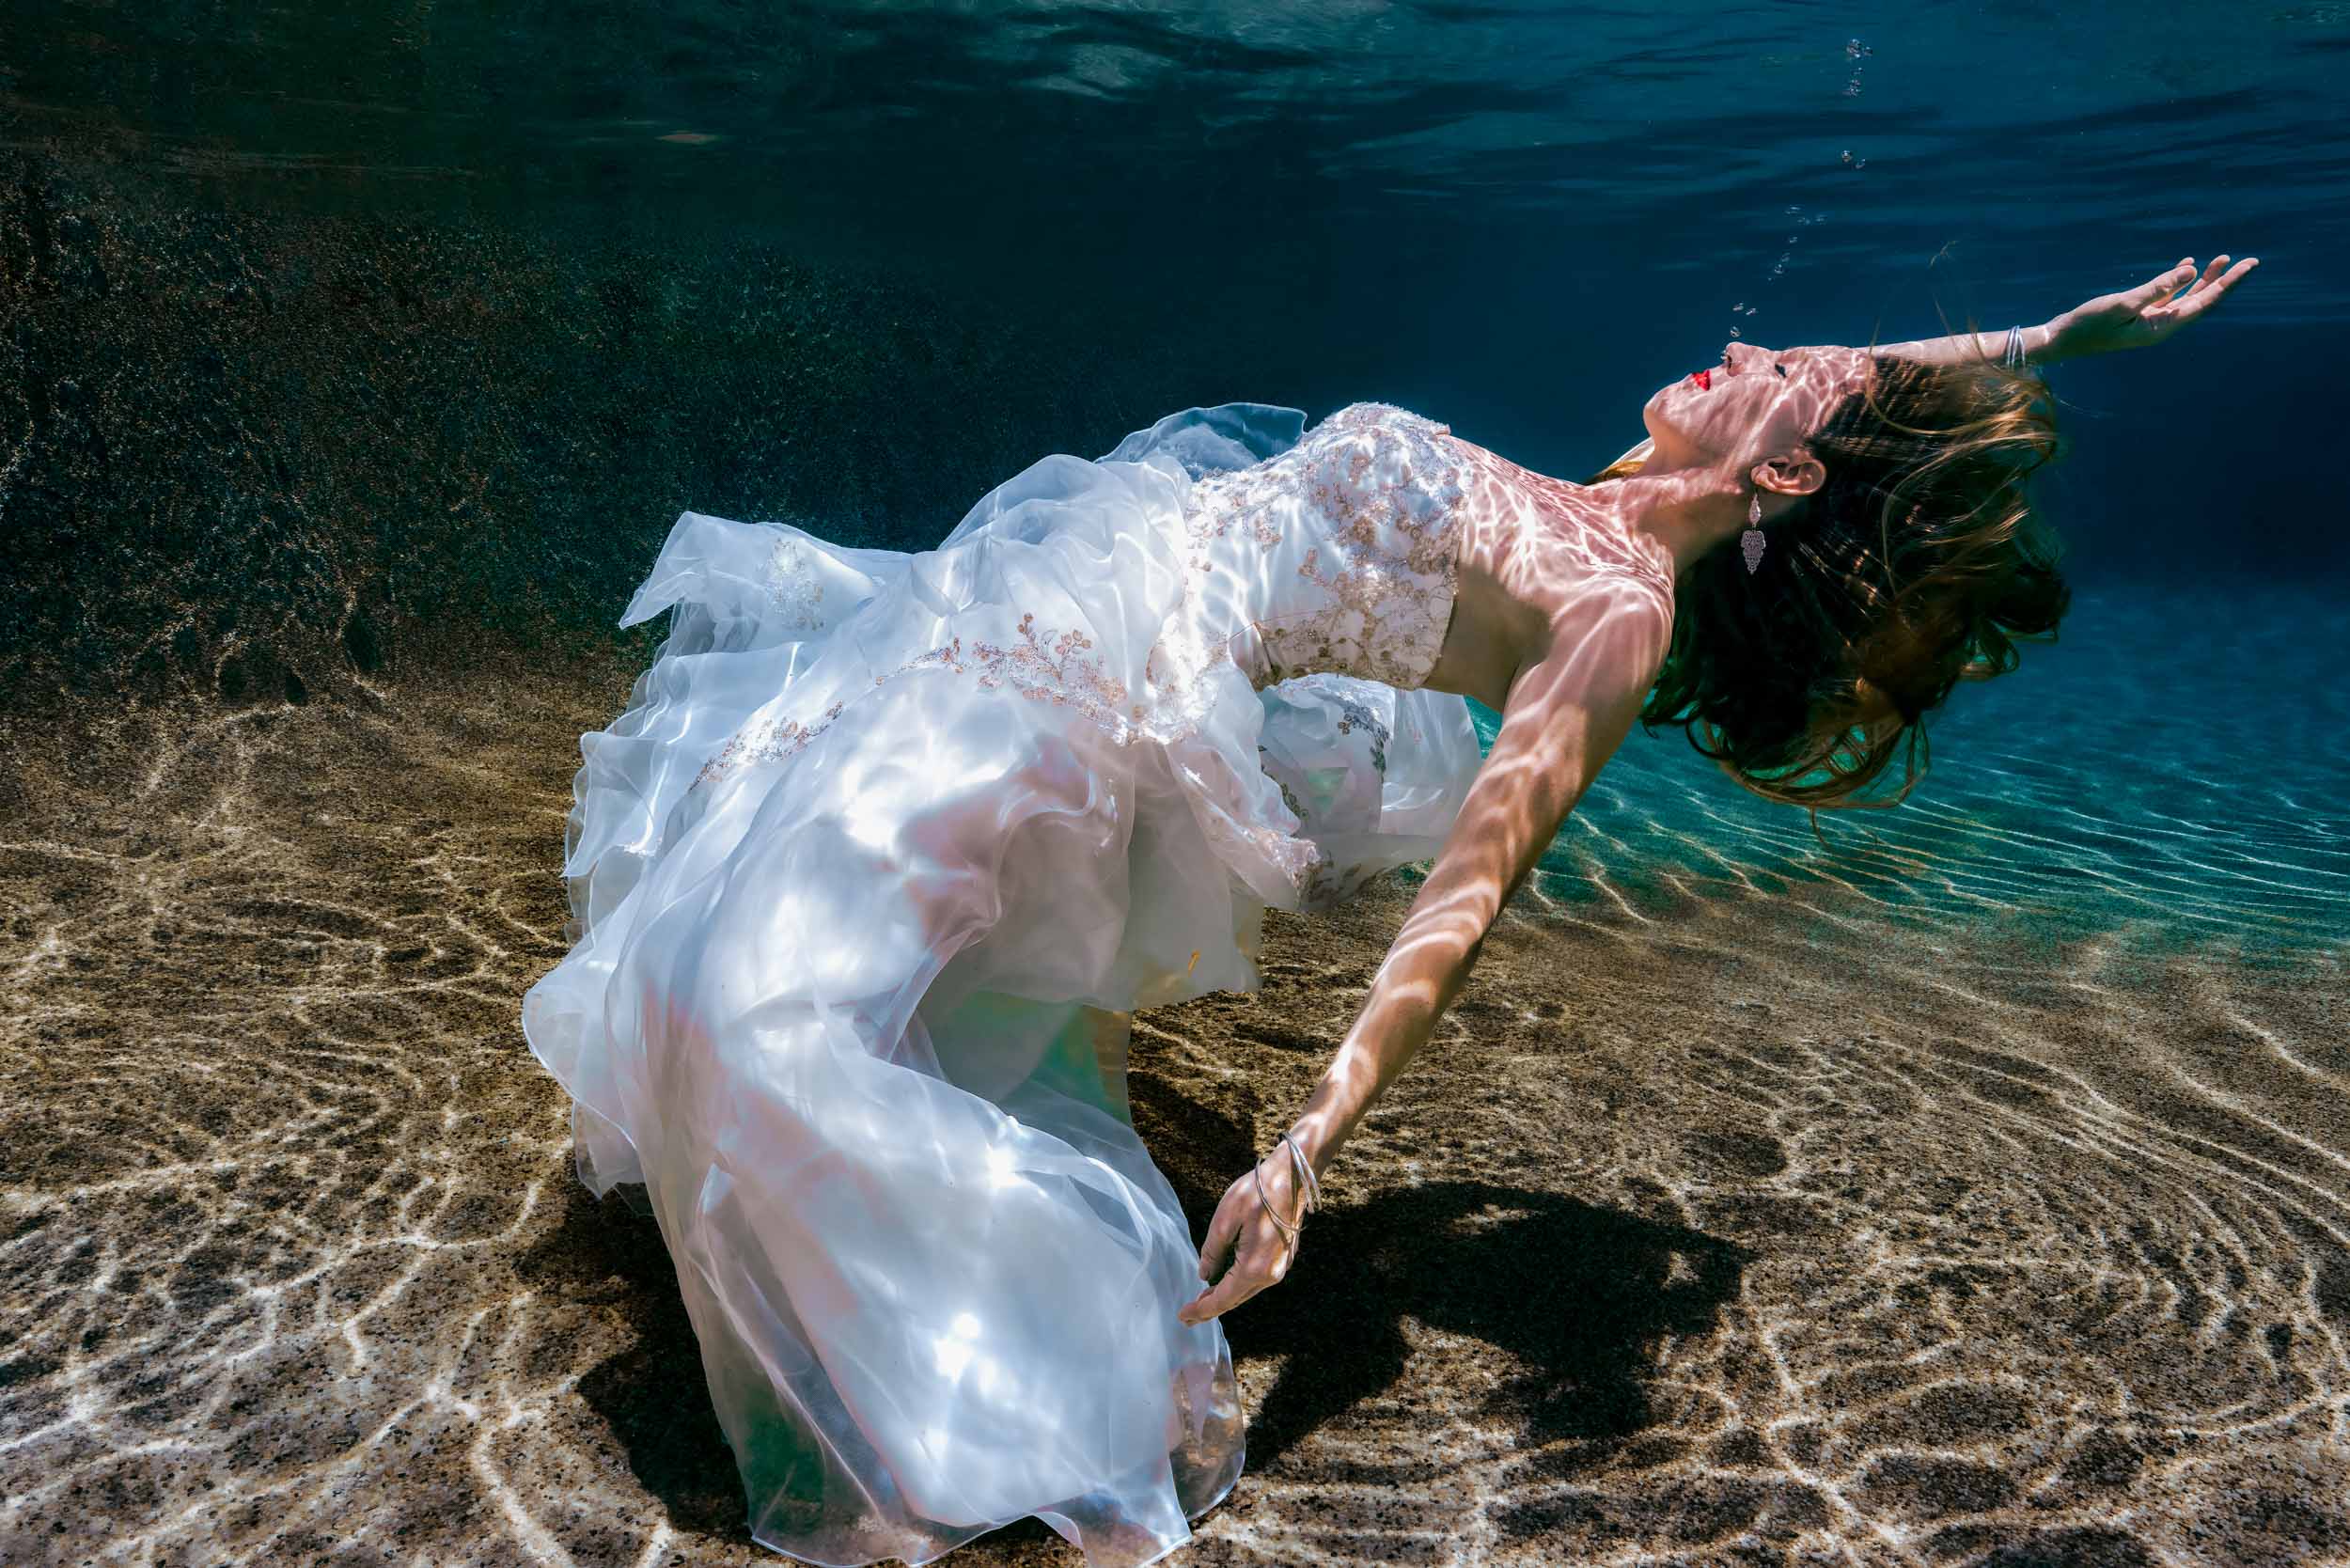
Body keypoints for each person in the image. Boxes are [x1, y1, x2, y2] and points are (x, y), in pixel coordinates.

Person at [520, 254, 2256, 1567]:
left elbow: (1473, 881)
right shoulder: (1606, 498)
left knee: (740, 1017)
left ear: (1785, 478)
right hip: (1069, 607)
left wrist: (1314, 1139)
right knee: (736, 959)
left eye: (1777, 376)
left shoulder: (1618, 610)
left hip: (1084, 694)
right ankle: (833, 1242)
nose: (1759, 348)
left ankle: (995, 1380)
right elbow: (1865, 392)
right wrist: (2048, 341)